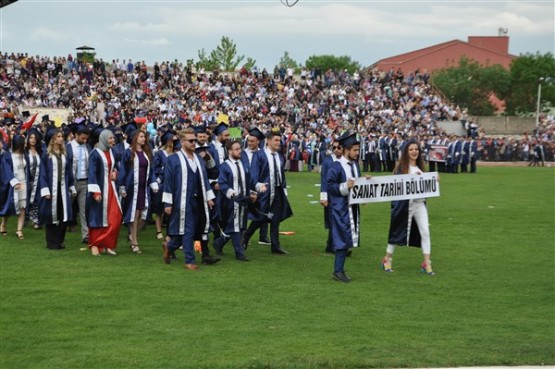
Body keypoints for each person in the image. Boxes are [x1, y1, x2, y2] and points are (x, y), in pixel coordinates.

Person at [162, 128, 216, 270]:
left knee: (188, 230)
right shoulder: (173, 159)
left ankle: (170, 246)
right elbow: (168, 181)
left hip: (198, 200)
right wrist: (168, 203)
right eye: (191, 141)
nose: (194, 143)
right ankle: (189, 260)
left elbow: (204, 179)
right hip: (181, 199)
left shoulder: (198, 159)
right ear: (182, 142)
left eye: (195, 141)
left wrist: (209, 197)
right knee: (188, 230)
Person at [381, 140, 435, 275]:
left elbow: (428, 187)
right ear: (406, 152)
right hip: (404, 205)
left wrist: (434, 180)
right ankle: (387, 259)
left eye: (416, 149)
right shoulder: (401, 169)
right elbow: (396, 185)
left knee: (425, 232)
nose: (414, 151)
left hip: (419, 204)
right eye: (411, 149)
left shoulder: (421, 168)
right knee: (396, 231)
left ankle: (427, 263)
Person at [242, 129, 293, 255]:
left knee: (276, 218)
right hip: (264, 191)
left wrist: (284, 190)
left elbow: (282, 175)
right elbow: (253, 174)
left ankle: (275, 245)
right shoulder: (260, 155)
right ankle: (246, 236)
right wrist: (256, 189)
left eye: (279, 140)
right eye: (275, 140)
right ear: (268, 141)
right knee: (261, 217)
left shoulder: (279, 156)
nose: (278, 143)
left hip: (277, 190)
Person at [326, 131, 361, 283]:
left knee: (348, 238)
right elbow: (330, 187)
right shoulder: (337, 166)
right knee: (342, 239)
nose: (357, 153)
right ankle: (338, 270)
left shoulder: (355, 166)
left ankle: (340, 270)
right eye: (355, 150)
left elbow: (357, 183)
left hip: (352, 207)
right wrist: (345, 186)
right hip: (340, 208)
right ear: (346, 150)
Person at [213, 140, 257, 261]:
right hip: (230, 201)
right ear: (230, 151)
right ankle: (239, 252)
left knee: (239, 225)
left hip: (244, 199)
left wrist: (257, 188)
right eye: (236, 149)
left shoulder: (243, 164)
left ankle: (219, 243)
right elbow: (222, 183)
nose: (239, 151)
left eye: (240, 148)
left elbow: (250, 180)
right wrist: (232, 193)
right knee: (235, 225)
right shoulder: (224, 166)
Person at [118, 129, 158, 254]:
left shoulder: (146, 152)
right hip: (132, 187)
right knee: (134, 215)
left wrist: (153, 182)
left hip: (143, 188)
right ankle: (134, 242)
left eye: (144, 137)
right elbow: (123, 170)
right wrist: (122, 186)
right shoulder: (128, 153)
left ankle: (132, 235)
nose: (143, 139)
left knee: (143, 215)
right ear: (135, 138)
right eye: (141, 136)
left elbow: (150, 170)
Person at [86, 129, 123, 256]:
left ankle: (108, 244)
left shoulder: (113, 152)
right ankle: (95, 244)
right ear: (103, 139)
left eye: (113, 138)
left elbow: (116, 166)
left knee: (115, 217)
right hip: (100, 190)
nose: (113, 140)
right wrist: (96, 192)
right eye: (110, 138)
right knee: (98, 218)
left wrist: (115, 172)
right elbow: (91, 173)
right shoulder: (94, 154)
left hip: (111, 189)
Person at [38, 128, 76, 250]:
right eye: (58, 136)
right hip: (51, 188)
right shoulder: (46, 155)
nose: (61, 138)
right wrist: (45, 190)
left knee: (63, 215)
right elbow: (42, 173)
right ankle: (51, 242)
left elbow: (69, 172)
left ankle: (60, 240)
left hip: (63, 188)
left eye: (61, 136)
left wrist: (71, 187)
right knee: (51, 216)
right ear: (53, 139)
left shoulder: (65, 154)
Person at [241, 127, 270, 245]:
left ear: (258, 141)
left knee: (263, 211)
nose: (250, 143)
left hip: (260, 186)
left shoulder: (263, 154)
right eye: (248, 141)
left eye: (253, 141)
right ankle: (242, 236)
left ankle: (262, 236)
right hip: (244, 186)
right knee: (243, 212)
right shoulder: (242, 153)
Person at [66, 123, 91, 243]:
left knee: (84, 210)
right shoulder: (68, 147)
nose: (85, 140)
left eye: (86, 138)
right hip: (71, 182)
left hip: (84, 181)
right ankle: (59, 233)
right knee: (66, 208)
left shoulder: (88, 147)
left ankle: (86, 235)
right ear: (76, 135)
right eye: (83, 138)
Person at [0, 135, 27, 239]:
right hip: (12, 184)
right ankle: (3, 224)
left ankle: (19, 230)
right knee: (10, 205)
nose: (25, 144)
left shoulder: (25, 155)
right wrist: (14, 182)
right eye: (23, 143)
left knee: (22, 207)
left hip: (23, 182)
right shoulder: (8, 156)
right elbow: (6, 170)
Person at [320, 140, 343, 254]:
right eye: (334, 148)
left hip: (342, 194)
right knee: (332, 219)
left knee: (339, 219)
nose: (336, 150)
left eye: (338, 147)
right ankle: (334, 245)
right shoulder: (328, 161)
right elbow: (323, 178)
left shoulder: (346, 161)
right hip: (330, 194)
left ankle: (330, 244)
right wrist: (323, 196)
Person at [152, 131, 175, 240]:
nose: (172, 143)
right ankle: (158, 230)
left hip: (172, 184)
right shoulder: (160, 153)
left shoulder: (176, 154)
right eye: (171, 141)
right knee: (159, 209)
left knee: (171, 208)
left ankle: (171, 232)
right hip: (162, 183)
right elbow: (155, 168)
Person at [25, 129, 43, 230]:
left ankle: (36, 221)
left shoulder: (40, 152)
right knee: (26, 200)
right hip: (27, 179)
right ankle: (26, 218)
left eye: (34, 138)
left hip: (37, 180)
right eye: (31, 138)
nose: (33, 140)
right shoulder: (25, 152)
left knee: (37, 200)